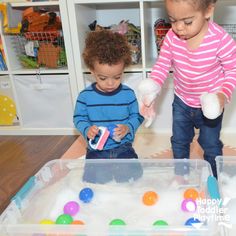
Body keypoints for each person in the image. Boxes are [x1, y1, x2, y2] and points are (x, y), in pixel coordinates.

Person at [138, 0, 236, 178]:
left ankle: (215, 177)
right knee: (179, 141)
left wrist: (222, 96)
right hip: (182, 101)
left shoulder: (221, 39)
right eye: (172, 20)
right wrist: (153, 87)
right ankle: (180, 175)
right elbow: (162, 65)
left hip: (209, 104)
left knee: (210, 143)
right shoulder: (171, 37)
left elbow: (232, 70)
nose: (179, 28)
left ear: (208, 10)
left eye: (187, 21)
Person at [73, 30, 144, 183]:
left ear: (123, 69)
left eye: (117, 77)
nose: (111, 83)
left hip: (122, 147)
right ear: (92, 71)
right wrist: (87, 129)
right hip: (97, 149)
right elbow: (79, 118)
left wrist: (127, 128)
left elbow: (137, 116)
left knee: (131, 177)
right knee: (96, 181)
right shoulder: (85, 96)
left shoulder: (128, 94)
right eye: (103, 78)